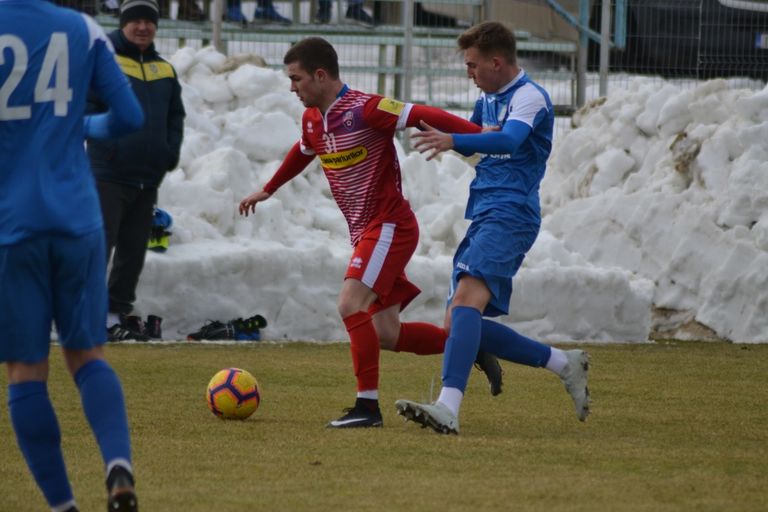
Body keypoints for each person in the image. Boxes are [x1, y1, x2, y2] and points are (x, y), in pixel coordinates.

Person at [239, 36, 503, 429]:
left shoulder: (366, 108)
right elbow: (303, 150)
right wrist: (269, 187)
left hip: (390, 226)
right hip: (368, 233)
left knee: (350, 304)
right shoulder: (313, 119)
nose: (291, 87)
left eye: (296, 79)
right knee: (385, 332)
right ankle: (468, 345)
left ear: (320, 74)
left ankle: (367, 408)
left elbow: (420, 113)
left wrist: (475, 134)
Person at [395, 21, 591, 435]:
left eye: (472, 65)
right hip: (485, 211)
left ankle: (448, 408)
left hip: (512, 214)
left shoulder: (530, 97)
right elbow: (474, 144)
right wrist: (452, 138)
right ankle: (562, 362)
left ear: (497, 62)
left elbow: (508, 142)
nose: (469, 73)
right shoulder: (488, 98)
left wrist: (456, 140)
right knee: (458, 325)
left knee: (465, 303)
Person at [0, 0, 144, 510]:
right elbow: (128, 115)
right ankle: (118, 466)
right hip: (77, 218)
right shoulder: (81, 28)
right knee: (87, 355)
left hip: (11, 227)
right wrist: (83, 128)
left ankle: (63, 506)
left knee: (25, 370)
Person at [86, 0, 186, 341]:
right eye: (135, 21)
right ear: (123, 23)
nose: (142, 27)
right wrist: (109, 148)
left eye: (149, 21)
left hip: (147, 178)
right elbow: (87, 109)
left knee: (133, 252)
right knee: (98, 247)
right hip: (108, 175)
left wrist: (168, 154)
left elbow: (176, 117)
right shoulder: (104, 61)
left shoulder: (165, 70)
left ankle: (114, 314)